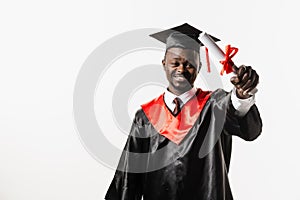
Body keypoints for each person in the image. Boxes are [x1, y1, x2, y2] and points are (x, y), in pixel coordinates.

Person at [105, 23, 262, 200]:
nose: (181, 69)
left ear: (199, 67)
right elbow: (129, 176)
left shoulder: (214, 105)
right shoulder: (145, 118)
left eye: (189, 65)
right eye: (175, 63)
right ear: (164, 64)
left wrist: (241, 95)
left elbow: (235, 109)